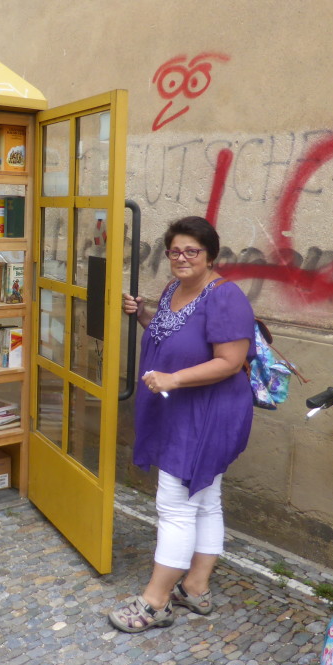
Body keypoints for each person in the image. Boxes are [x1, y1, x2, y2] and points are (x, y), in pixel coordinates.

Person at [109, 215, 255, 634]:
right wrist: (142, 316)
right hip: (180, 410)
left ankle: (155, 603)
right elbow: (172, 333)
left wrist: (173, 379)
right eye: (175, 251)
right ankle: (195, 587)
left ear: (210, 255)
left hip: (209, 413)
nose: (182, 258)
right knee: (205, 499)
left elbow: (229, 362)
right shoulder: (175, 288)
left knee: (174, 504)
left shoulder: (225, 298)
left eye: (192, 251)